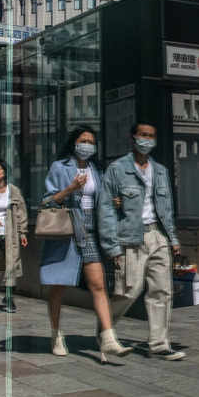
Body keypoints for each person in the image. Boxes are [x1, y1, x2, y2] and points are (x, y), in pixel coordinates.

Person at [41, 126, 132, 362]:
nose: (87, 145)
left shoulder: (97, 170)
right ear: (74, 143)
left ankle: (109, 338)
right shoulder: (59, 167)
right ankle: (56, 334)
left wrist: (113, 202)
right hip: (67, 229)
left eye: (91, 141)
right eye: (83, 140)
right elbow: (48, 201)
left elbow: (100, 202)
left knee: (98, 284)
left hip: (91, 231)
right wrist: (71, 188)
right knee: (58, 287)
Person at [97, 120, 185, 361]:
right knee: (128, 290)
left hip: (157, 234)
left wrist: (173, 237)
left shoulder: (160, 171)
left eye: (151, 136)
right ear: (132, 138)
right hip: (129, 236)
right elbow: (104, 209)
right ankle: (105, 332)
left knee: (162, 290)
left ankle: (158, 344)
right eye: (142, 135)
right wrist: (111, 246)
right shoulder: (117, 169)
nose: (147, 140)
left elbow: (166, 208)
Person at [0, 158, 28, 314]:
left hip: (10, 235)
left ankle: (9, 298)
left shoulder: (13, 191)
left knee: (11, 266)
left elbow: (21, 213)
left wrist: (23, 233)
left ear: (5, 172)